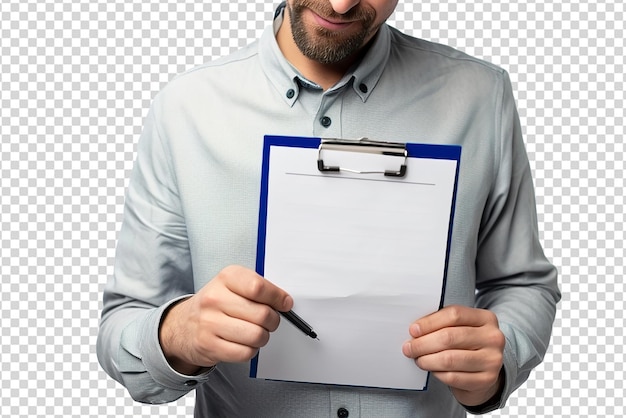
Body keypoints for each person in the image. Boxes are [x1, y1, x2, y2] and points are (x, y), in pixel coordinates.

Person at [97, 0, 561, 416]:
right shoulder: (187, 108)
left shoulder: (481, 95)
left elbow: (523, 283)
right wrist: (177, 336)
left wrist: (500, 361)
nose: (341, 4)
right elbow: (123, 324)